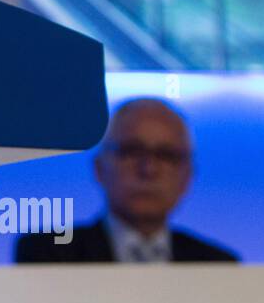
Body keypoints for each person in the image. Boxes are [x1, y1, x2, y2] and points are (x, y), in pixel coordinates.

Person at [15, 97, 239, 263]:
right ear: (100, 168)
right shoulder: (48, 253)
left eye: (166, 155)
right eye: (132, 151)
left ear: (188, 177)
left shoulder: (217, 264)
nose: (148, 169)